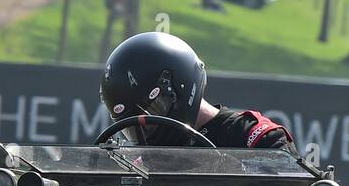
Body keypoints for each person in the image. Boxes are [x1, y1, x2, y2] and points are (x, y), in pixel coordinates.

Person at [99, 32, 294, 150]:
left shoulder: (254, 139)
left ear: (178, 89)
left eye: (151, 114)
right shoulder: (130, 165)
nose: (143, 134)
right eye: (129, 129)